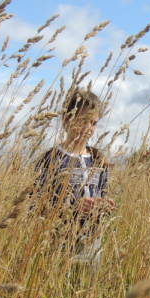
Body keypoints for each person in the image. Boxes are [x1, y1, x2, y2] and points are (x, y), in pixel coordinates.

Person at [34, 88, 116, 274]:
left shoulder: (98, 161)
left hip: (91, 246)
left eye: (93, 123)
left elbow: (101, 194)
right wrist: (71, 206)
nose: (88, 128)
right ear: (67, 120)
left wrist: (104, 206)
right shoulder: (51, 159)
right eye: (83, 121)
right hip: (58, 246)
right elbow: (34, 205)